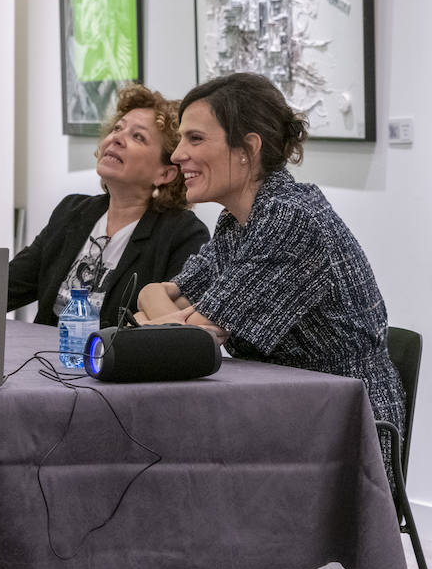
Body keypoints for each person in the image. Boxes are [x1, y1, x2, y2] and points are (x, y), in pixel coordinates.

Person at [137, 72, 404, 471]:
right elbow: (156, 296)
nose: (176, 155)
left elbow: (190, 345)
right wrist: (174, 323)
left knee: (161, 464)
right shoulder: (238, 221)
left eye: (195, 139)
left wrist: (168, 325)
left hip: (343, 428)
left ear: (248, 148)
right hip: (280, 410)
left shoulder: (290, 220)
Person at [9, 83, 208, 569]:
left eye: (137, 136)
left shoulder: (182, 234)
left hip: (128, 411)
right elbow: (11, 285)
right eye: (117, 129)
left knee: (110, 503)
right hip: (51, 394)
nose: (116, 138)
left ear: (166, 172)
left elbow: (173, 338)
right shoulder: (75, 213)